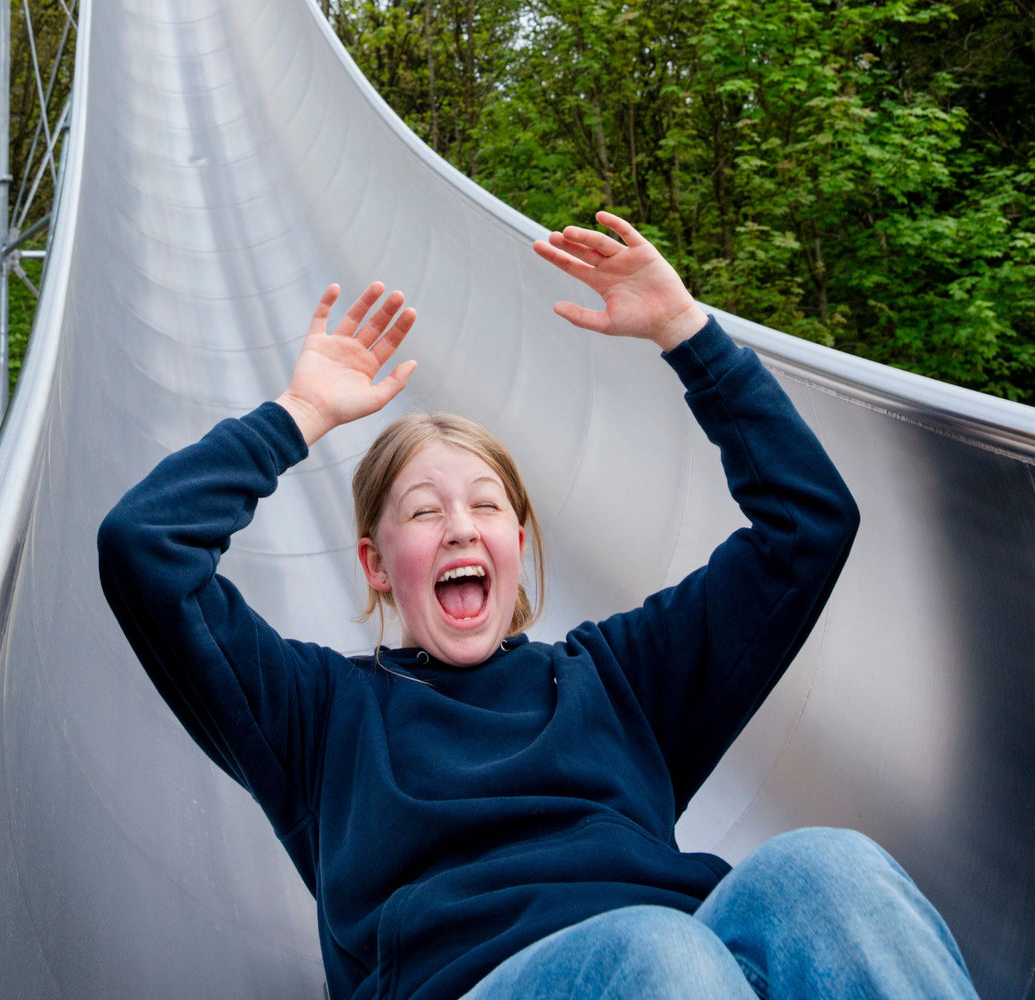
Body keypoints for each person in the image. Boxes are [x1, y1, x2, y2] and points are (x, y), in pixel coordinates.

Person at [97, 213, 980, 1000]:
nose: (458, 530)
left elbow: (809, 529)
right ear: (374, 564)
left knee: (825, 869)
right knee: (658, 955)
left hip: (685, 955)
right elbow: (148, 550)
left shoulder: (618, 679)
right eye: (421, 511)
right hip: (510, 975)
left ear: (518, 543)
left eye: (485, 506)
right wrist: (297, 413)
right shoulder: (322, 716)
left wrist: (687, 333)